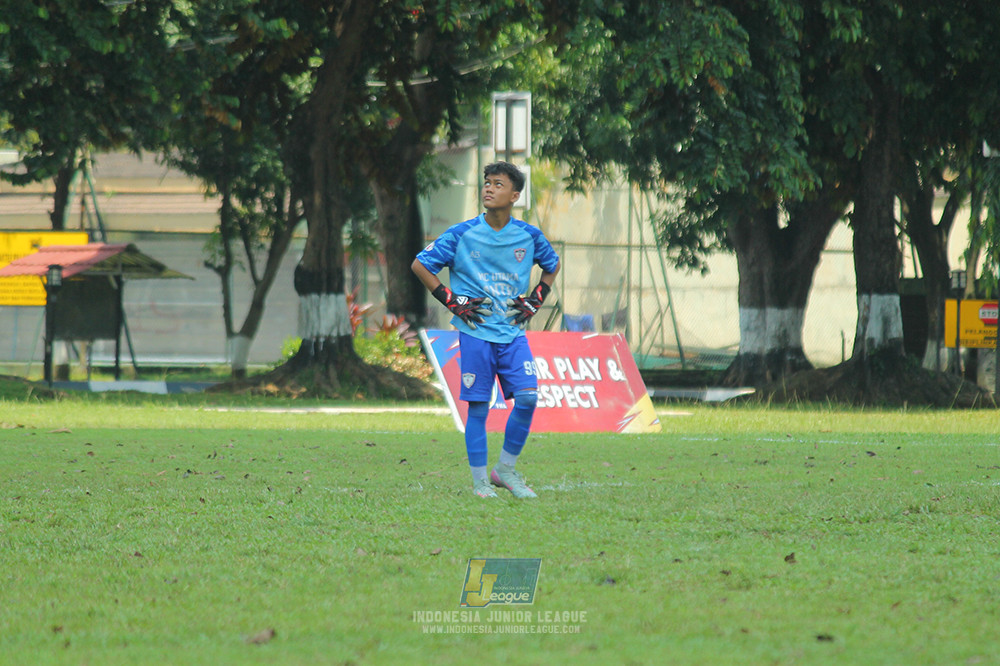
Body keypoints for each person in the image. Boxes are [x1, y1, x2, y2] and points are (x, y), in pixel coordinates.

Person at [412, 161, 560, 499]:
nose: (489, 189)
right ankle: (480, 481)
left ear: (515, 195)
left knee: (527, 398)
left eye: (498, 184)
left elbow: (552, 265)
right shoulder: (463, 233)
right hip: (475, 332)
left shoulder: (529, 236)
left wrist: (537, 298)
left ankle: (504, 470)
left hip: (512, 333)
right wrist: (450, 300)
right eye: (486, 183)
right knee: (478, 408)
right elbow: (421, 264)